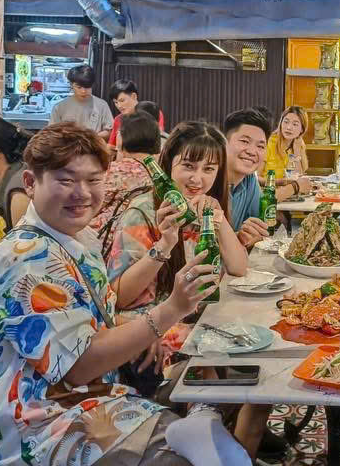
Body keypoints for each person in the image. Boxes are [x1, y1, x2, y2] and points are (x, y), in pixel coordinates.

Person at [0, 122, 251, 466]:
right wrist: (169, 312)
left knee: (211, 398)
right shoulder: (28, 260)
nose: (82, 193)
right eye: (65, 179)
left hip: (81, 402)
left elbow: (107, 307)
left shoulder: (69, 240)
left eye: (92, 180)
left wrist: (163, 251)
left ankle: (186, 440)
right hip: (35, 433)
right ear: (31, 182)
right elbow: (79, 365)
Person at [107, 121, 247, 315]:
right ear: (168, 164)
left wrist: (220, 220)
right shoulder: (143, 211)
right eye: (188, 166)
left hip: (199, 318)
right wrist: (165, 244)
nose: (197, 179)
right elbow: (120, 297)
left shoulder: (208, 206)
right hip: (153, 323)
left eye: (208, 169)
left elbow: (238, 268)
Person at [223, 109, 312, 248]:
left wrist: (250, 236)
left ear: (302, 130)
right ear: (224, 142)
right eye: (244, 141)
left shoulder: (249, 179)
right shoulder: (207, 181)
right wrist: (294, 186)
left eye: (260, 146)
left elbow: (259, 224)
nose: (252, 151)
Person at [90, 110, 159, 241]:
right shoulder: (160, 171)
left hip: (111, 241)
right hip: (146, 239)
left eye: (119, 132)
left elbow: (91, 207)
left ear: (125, 137)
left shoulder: (117, 170)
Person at [50, 64, 113, 138]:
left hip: (93, 144)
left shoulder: (102, 105)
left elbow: (109, 131)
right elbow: (52, 133)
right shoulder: (59, 107)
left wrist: (91, 138)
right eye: (79, 87)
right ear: (71, 84)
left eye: (87, 87)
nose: (83, 91)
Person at [107, 79, 166, 147]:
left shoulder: (151, 111)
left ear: (134, 96)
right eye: (116, 102)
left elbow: (158, 139)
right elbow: (111, 146)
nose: (119, 106)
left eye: (122, 100)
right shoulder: (118, 119)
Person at [262, 105, 309, 180]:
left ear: (302, 129)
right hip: (267, 187)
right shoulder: (268, 142)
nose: (289, 127)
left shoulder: (299, 144)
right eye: (286, 122)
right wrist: (279, 182)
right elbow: (255, 178)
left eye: (295, 124)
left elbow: (298, 177)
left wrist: (296, 152)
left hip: (289, 186)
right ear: (281, 123)